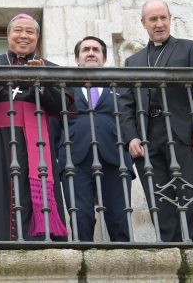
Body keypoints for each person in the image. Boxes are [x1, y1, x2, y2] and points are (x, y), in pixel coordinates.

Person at [0, 13, 74, 241]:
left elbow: (63, 105)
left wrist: (40, 80)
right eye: (18, 30)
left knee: (33, 186)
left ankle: (40, 239)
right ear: (8, 35)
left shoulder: (51, 68)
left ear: (38, 37)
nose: (24, 36)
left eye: (30, 31)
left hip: (38, 142)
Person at [119, 0, 193, 242]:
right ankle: (172, 252)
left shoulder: (190, 49)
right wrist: (131, 137)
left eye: (163, 18)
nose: (159, 24)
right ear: (143, 24)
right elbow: (126, 105)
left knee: (192, 198)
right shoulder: (133, 62)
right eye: (153, 19)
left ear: (170, 19)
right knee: (160, 205)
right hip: (148, 140)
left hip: (182, 134)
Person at [52, 36, 135, 242]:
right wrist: (59, 153)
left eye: (96, 50)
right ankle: (82, 265)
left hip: (115, 157)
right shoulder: (64, 87)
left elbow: (128, 117)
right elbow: (54, 123)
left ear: (103, 59)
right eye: (86, 49)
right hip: (75, 159)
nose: (90, 53)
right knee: (81, 217)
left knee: (119, 217)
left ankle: (123, 265)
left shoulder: (118, 86)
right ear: (77, 58)